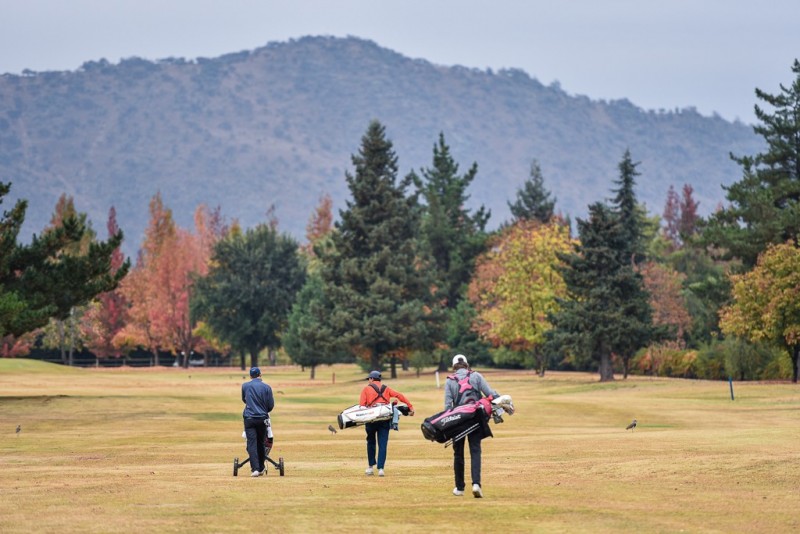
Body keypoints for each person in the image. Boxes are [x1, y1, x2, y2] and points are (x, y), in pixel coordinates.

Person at [445, 354, 500, 498]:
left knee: (458, 453)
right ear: (467, 364)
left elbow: (447, 407)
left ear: (454, 366)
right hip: (476, 418)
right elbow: (490, 394)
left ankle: (459, 488)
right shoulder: (476, 376)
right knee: (475, 451)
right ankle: (476, 484)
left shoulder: (450, 380)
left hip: (458, 421)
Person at [359, 370, 414, 477]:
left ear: (371, 379)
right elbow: (399, 395)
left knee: (371, 442)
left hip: (371, 419)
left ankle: (370, 467)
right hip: (385, 419)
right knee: (383, 443)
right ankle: (381, 469)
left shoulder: (366, 389)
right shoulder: (386, 388)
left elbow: (362, 406)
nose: (368, 381)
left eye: (369, 379)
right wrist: (410, 406)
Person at [242, 366, 275, 477]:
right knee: (260, 443)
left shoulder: (245, 386)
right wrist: (263, 409)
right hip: (262, 418)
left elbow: (244, 400)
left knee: (251, 443)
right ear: (260, 375)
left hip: (249, 418)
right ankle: (260, 468)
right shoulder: (267, 387)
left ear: (250, 376)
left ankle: (255, 469)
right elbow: (270, 405)